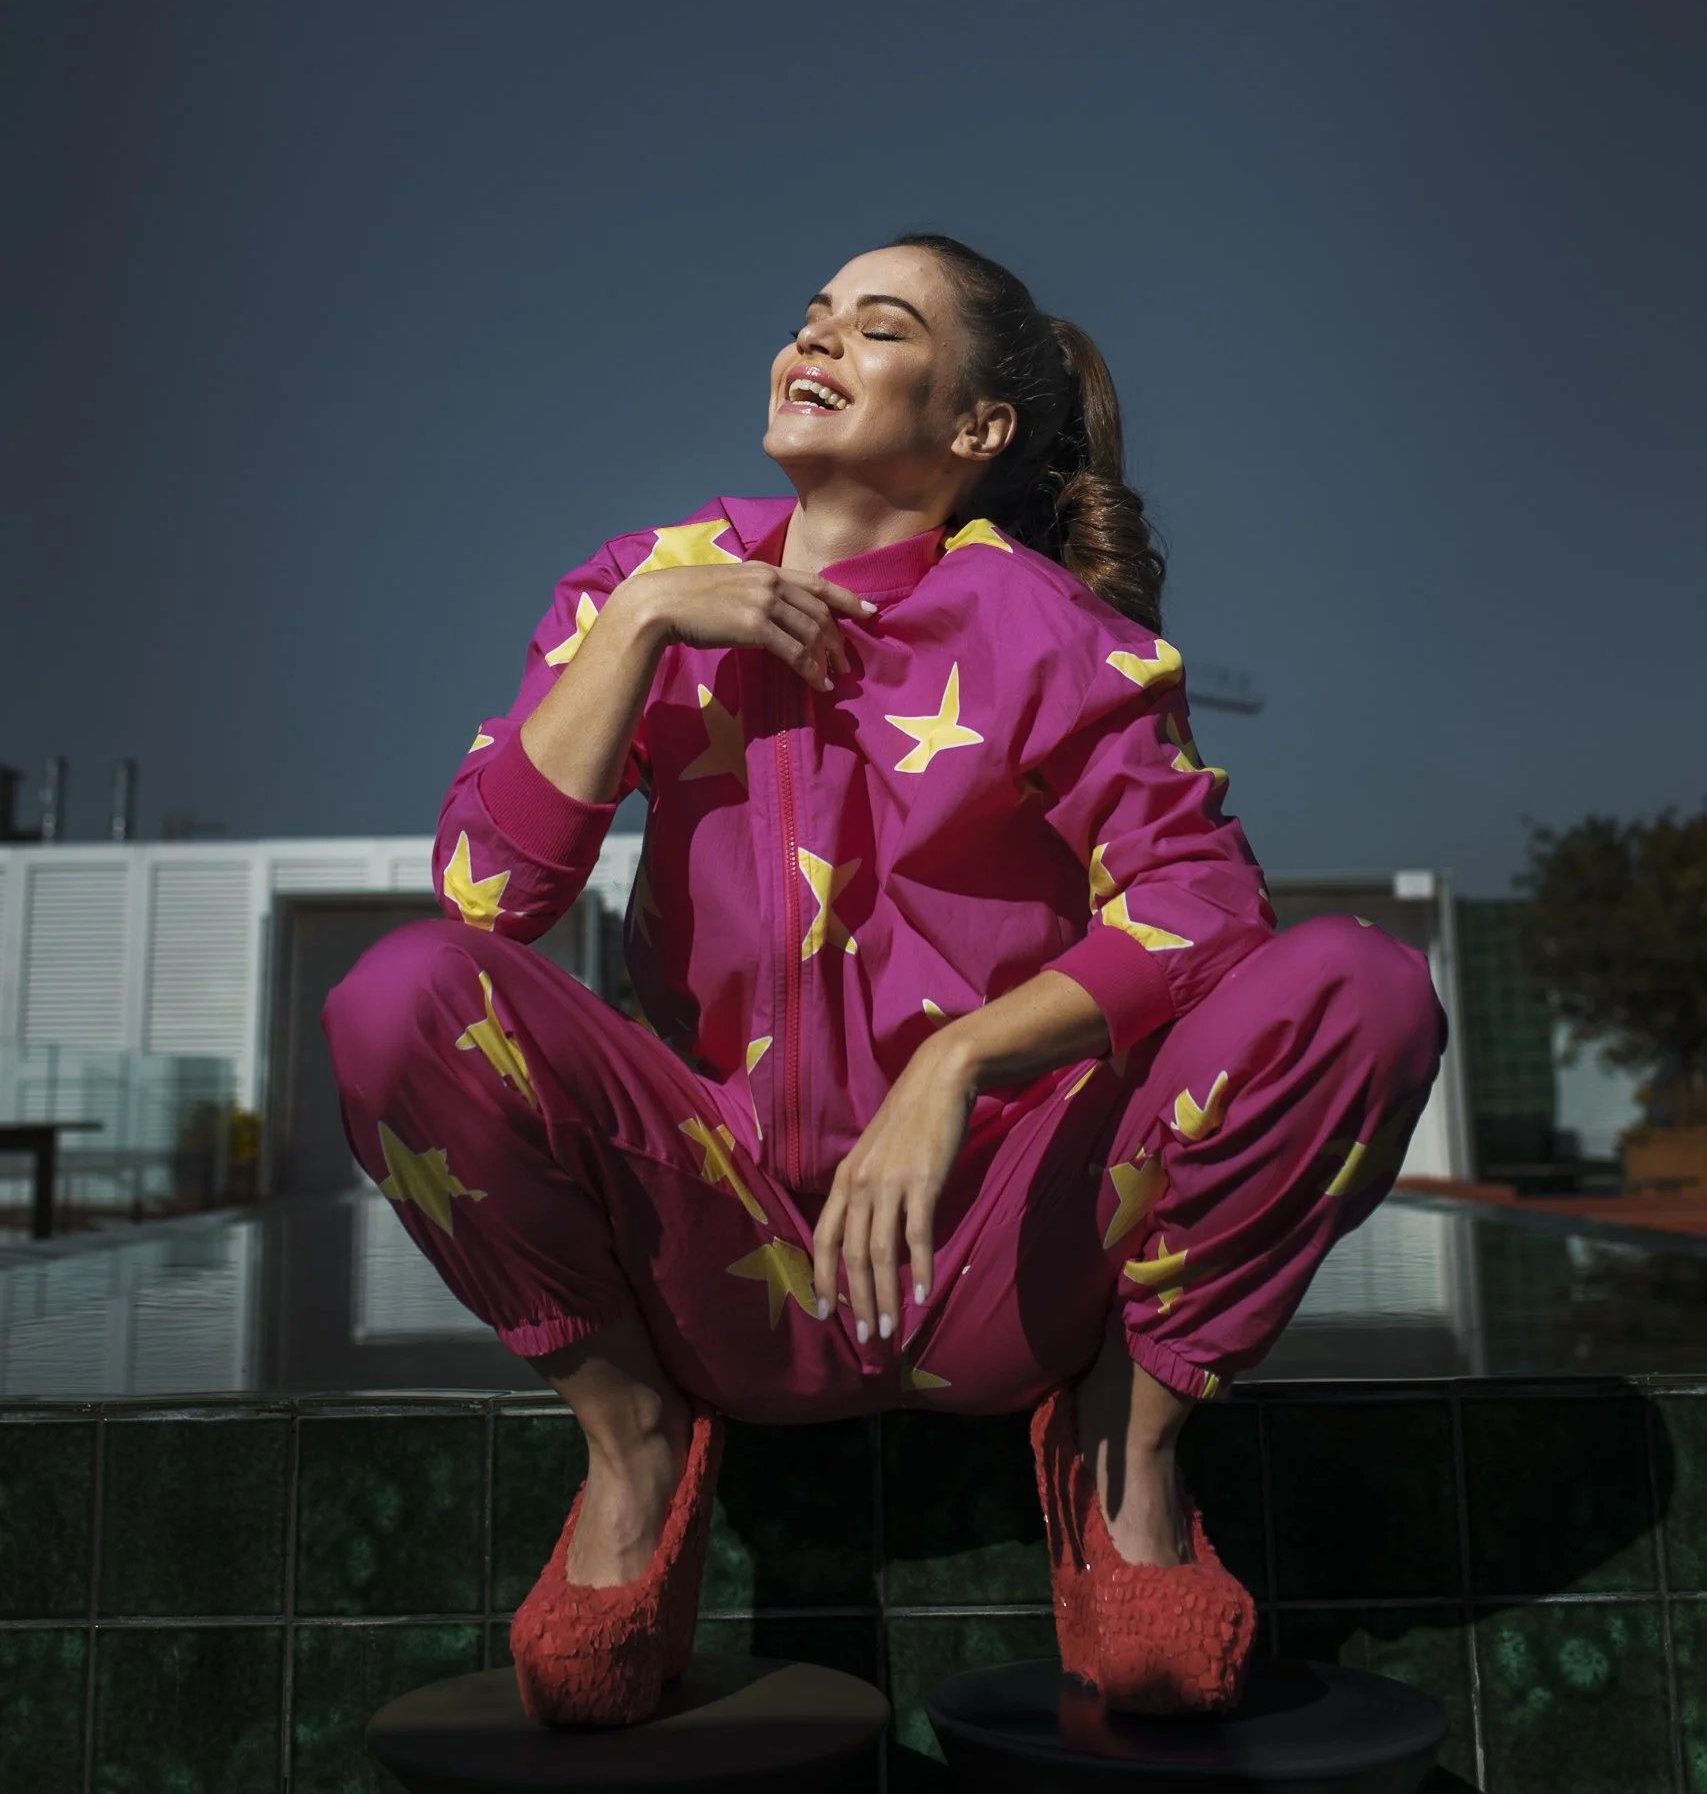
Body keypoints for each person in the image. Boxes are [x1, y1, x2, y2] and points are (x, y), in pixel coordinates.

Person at [323, 233, 1445, 1726]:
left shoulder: (1038, 623)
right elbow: (488, 895)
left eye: (879, 327)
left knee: (1361, 990)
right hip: (725, 1265)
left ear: (975, 430)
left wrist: (959, 1060)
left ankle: (1123, 1446)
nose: (819, 341)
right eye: (811, 319)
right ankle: (634, 1446)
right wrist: (655, 625)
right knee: (399, 997)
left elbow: (1200, 908)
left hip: (1003, 1248)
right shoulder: (637, 586)